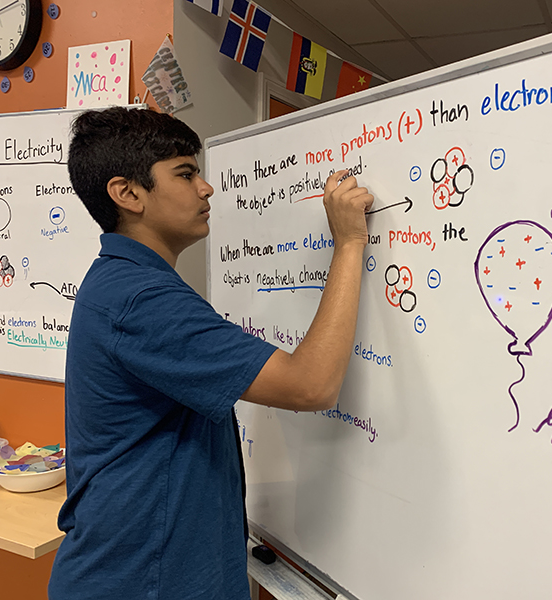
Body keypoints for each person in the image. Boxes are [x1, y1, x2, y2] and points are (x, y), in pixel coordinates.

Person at [48, 107, 373, 600]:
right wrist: (349, 243)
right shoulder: (142, 300)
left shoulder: (123, 282)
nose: (206, 188)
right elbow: (311, 385)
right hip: (142, 583)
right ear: (127, 193)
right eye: (185, 174)